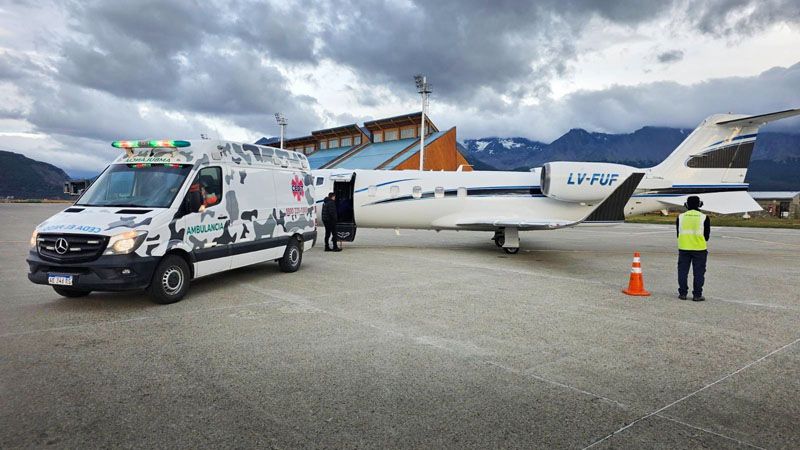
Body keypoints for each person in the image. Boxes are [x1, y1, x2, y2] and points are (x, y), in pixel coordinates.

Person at [676, 195, 710, 301]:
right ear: (700, 204)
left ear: (686, 205)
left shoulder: (680, 217)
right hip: (699, 249)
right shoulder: (704, 217)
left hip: (684, 248)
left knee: (682, 272)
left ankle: (682, 293)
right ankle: (697, 295)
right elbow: (707, 236)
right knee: (699, 273)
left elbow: (678, 233)